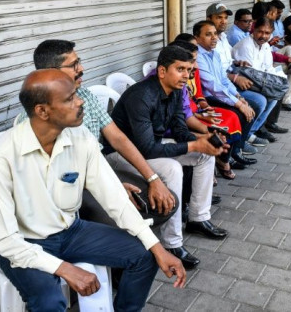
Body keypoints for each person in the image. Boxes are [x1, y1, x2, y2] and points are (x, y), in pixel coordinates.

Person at [0, 70, 185, 311]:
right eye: (70, 98)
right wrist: (66, 269)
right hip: (24, 244)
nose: (80, 102)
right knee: (50, 302)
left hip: (71, 232)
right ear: (42, 111)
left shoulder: (81, 138)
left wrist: (157, 247)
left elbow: (115, 199)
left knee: (145, 256)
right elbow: (5, 240)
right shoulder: (3, 156)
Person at [20, 40, 177, 217]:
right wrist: (111, 187)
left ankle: (152, 242)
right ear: (52, 73)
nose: (81, 68)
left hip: (98, 170)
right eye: (73, 65)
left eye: (79, 61)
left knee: (162, 202)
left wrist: (153, 178)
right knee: (126, 214)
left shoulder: (85, 95)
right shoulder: (38, 117)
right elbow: (56, 176)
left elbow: (118, 138)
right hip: (70, 188)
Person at [106, 45, 227, 270]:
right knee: (172, 168)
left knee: (203, 156)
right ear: (162, 71)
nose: (186, 75)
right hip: (119, 154)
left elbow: (180, 129)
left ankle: (198, 218)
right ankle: (172, 243)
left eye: (189, 70)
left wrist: (205, 139)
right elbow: (148, 148)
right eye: (180, 69)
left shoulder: (177, 91)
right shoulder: (141, 96)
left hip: (148, 149)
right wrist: (192, 144)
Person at [195, 20, 274, 154]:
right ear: (197, 38)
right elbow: (212, 86)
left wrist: (238, 96)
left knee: (249, 105)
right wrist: (238, 104)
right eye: (208, 34)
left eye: (215, 34)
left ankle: (238, 147)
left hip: (219, 94)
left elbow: (223, 80)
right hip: (207, 99)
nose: (214, 37)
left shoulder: (214, 54)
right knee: (241, 112)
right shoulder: (198, 56)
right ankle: (233, 152)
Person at [173, 34, 243, 179]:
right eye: (193, 60)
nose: (196, 65)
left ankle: (223, 159)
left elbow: (192, 100)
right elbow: (180, 118)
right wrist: (205, 131)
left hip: (190, 116)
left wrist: (209, 128)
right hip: (173, 131)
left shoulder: (186, 75)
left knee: (229, 120)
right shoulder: (172, 83)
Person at [231, 17, 291, 134]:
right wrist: (272, 86)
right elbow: (250, 75)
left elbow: (269, 68)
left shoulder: (265, 45)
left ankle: (257, 128)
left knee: (278, 89)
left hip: (258, 79)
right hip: (243, 83)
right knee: (270, 95)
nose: (263, 36)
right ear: (254, 30)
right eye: (260, 32)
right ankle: (252, 132)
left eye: (267, 33)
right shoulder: (246, 46)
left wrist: (279, 81)